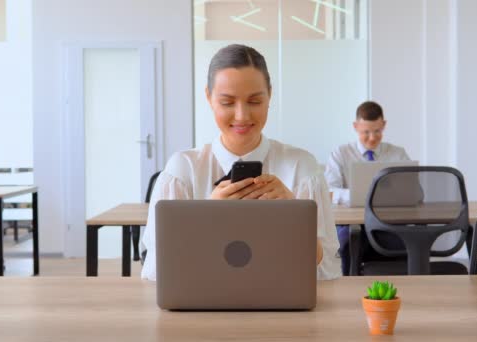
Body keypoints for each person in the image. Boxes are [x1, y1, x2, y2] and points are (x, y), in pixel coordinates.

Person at [142, 44, 341, 281]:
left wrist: (295, 218)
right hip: (203, 306)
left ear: (270, 95)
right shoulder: (182, 171)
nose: (242, 116)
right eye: (227, 102)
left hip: (282, 306)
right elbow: (157, 272)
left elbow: (327, 271)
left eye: (255, 101)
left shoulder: (302, 168)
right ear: (209, 97)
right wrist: (205, 219)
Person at [324, 101, 411, 275]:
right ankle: (349, 288)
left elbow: (412, 191)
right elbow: (330, 191)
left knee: (410, 240)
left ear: (384, 125)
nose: (372, 137)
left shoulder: (398, 154)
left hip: (389, 223)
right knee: (346, 240)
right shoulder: (340, 154)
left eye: (377, 131)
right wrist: (357, 196)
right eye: (366, 132)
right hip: (353, 225)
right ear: (356, 127)